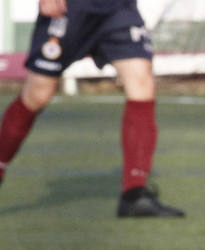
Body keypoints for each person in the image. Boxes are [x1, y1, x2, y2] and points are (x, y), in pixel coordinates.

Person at [0, 0, 183, 216]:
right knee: (37, 95)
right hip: (71, 8)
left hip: (118, 9)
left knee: (141, 80)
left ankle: (135, 193)